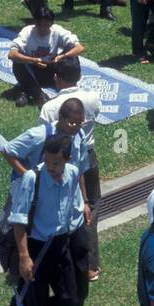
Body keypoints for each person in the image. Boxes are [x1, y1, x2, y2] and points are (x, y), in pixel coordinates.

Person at [10, 133, 85, 306]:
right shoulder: (33, 178)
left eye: (57, 163)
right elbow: (18, 222)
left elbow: (71, 207)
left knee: (70, 299)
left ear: (68, 160)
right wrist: (24, 257)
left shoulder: (73, 173)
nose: (52, 167)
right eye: (48, 161)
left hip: (61, 244)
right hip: (36, 249)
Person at [41, 58, 103, 282]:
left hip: (62, 162)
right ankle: (90, 262)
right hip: (88, 156)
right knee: (91, 209)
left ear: (57, 77)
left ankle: (72, 261)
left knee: (68, 211)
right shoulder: (93, 98)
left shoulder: (50, 107)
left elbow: (45, 135)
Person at [7, 9, 85, 109]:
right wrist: (34, 60)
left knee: (72, 56)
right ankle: (39, 96)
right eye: (39, 26)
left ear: (51, 24)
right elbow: (11, 54)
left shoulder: (57, 31)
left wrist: (62, 56)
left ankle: (25, 90)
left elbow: (79, 48)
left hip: (51, 69)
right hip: (31, 69)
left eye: (46, 26)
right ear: (35, 23)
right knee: (18, 62)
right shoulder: (27, 32)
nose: (42, 29)